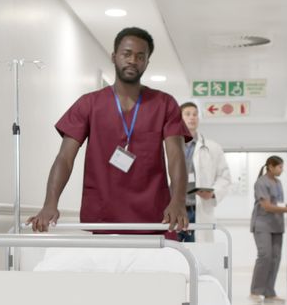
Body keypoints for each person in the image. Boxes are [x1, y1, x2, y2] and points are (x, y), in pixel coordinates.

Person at [27, 27, 191, 236]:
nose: (133, 60)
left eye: (140, 56)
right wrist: (50, 203)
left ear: (147, 63)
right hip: (102, 218)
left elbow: (176, 157)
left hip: (154, 219)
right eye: (127, 54)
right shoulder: (88, 104)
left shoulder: (165, 104)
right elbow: (65, 158)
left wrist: (177, 201)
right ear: (114, 57)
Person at [178, 102, 232, 243]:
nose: (192, 118)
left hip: (197, 209)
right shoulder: (168, 145)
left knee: (197, 255)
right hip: (174, 210)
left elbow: (224, 177)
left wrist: (213, 192)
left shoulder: (212, 147)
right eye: (187, 114)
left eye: (195, 114)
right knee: (172, 254)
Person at [250, 157, 287, 300]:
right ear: (270, 167)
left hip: (277, 225)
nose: (282, 170)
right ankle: (255, 291)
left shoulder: (278, 183)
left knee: (275, 258)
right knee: (265, 256)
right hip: (262, 224)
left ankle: (269, 292)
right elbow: (266, 206)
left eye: (282, 167)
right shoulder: (261, 182)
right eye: (279, 167)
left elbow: (279, 204)